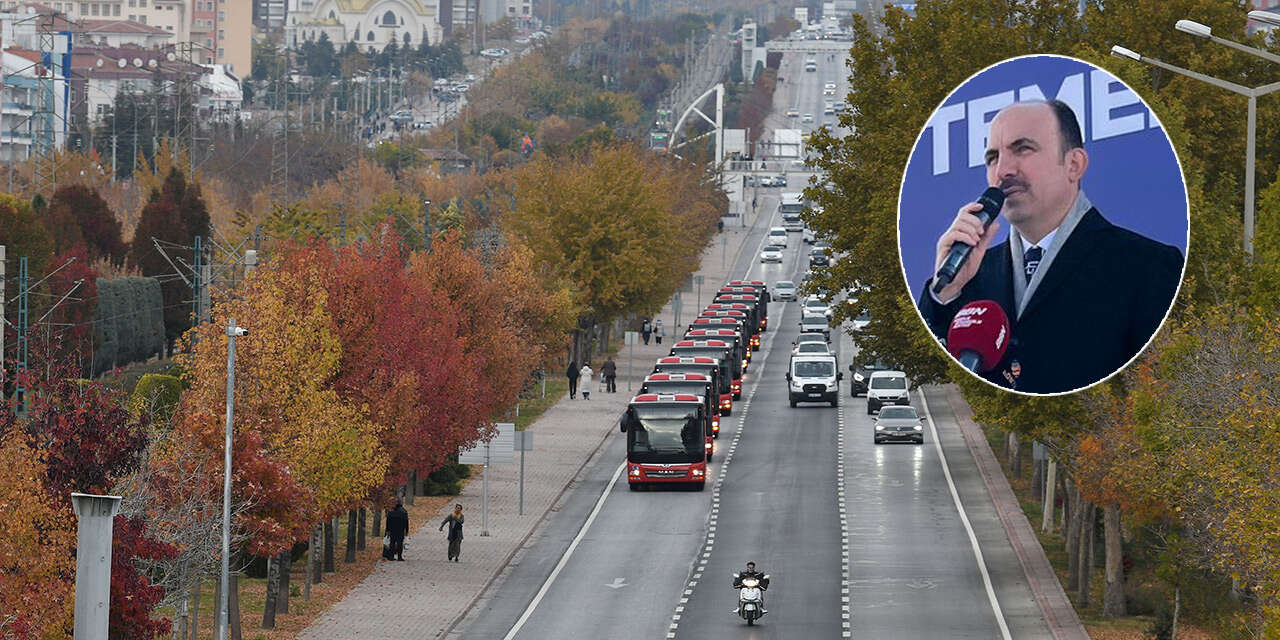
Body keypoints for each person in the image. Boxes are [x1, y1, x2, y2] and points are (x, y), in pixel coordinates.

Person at [917, 99, 1183, 394]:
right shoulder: (972, 272)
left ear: (1074, 165)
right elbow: (936, 379)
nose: (1003, 170)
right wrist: (945, 294)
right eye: (992, 158)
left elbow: (1162, 389)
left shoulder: (1149, 267)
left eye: (1023, 149)